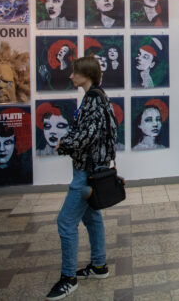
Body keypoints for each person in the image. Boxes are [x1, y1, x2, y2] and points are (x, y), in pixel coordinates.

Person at [47, 56, 117, 300]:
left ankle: (68, 278)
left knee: (65, 222)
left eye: (74, 72)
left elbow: (87, 136)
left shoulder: (94, 100)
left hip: (87, 174)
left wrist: (64, 144)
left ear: (86, 75)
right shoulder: (95, 97)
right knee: (92, 218)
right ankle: (99, 265)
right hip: (91, 169)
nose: (70, 76)